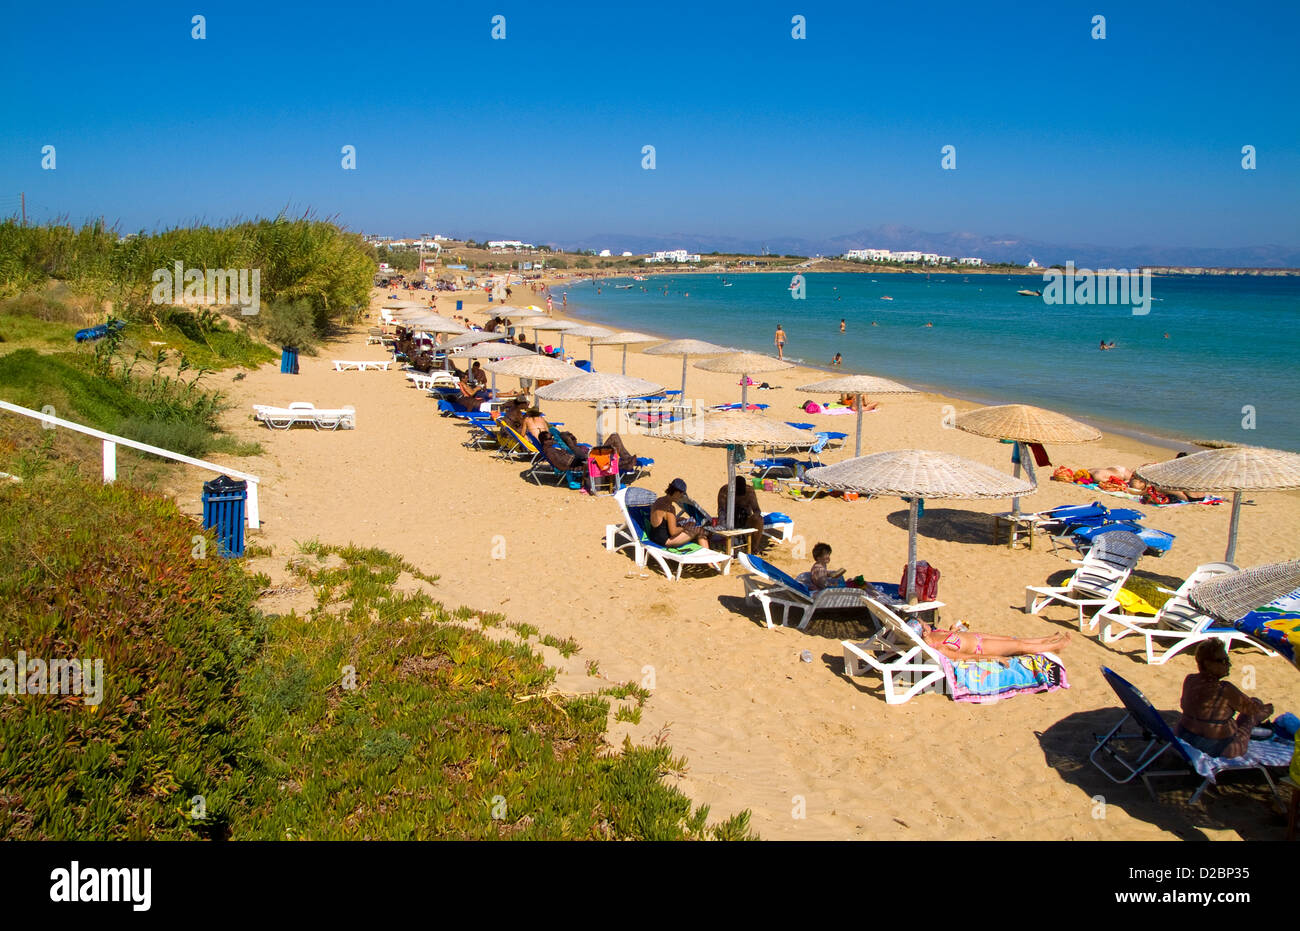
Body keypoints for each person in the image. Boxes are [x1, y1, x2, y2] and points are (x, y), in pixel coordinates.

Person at [1175, 640, 1274, 758]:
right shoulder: (1224, 689)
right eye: (1223, 661)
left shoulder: (1190, 679)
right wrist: (1267, 709)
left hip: (1184, 735)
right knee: (1253, 712)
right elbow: (1253, 710)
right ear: (1207, 664)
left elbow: (1185, 705)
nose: (1229, 665)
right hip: (1217, 747)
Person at [649, 479, 710, 549]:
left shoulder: (659, 500)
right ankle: (710, 559)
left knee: (682, 520)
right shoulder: (670, 509)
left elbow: (661, 521)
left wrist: (676, 520)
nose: (681, 498)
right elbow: (673, 532)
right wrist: (684, 527)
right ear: (677, 492)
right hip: (666, 541)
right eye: (681, 495)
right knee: (700, 530)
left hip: (654, 537)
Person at [716, 477, 764, 552]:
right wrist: (723, 524)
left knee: (759, 520)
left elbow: (757, 510)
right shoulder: (724, 491)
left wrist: (755, 516)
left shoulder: (749, 492)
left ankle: (754, 547)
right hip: (729, 519)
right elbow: (721, 510)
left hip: (745, 518)